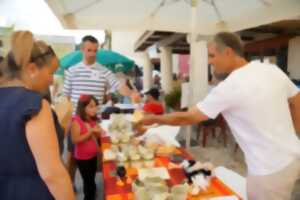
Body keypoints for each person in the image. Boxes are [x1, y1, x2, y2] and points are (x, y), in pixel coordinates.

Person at [138, 32, 300, 200]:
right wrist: (291, 133)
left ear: (228, 52)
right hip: (293, 154)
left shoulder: (231, 86)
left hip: (269, 170)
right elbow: (297, 100)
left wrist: (155, 118)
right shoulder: (270, 70)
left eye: (212, 55)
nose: (209, 61)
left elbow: (187, 117)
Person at [0, 31, 75, 200]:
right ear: (32, 69)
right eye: (50, 72)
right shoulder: (34, 104)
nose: (51, 80)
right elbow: (52, 174)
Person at [63, 35, 141, 186]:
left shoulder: (104, 71)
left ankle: (94, 184)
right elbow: (66, 97)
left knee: (96, 153)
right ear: (82, 49)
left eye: (95, 50)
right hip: (75, 121)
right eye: (89, 50)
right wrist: (66, 122)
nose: (92, 53)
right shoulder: (72, 71)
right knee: (72, 156)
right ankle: (69, 185)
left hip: (94, 121)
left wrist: (132, 94)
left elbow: (118, 86)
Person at [71, 95, 104, 200]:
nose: (95, 109)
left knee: (92, 178)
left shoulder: (92, 119)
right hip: (83, 158)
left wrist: (98, 132)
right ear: (82, 107)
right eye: (91, 106)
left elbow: (97, 137)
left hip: (93, 155)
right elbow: (75, 140)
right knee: (88, 181)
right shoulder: (76, 120)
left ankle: (92, 194)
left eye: (95, 106)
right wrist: (91, 131)